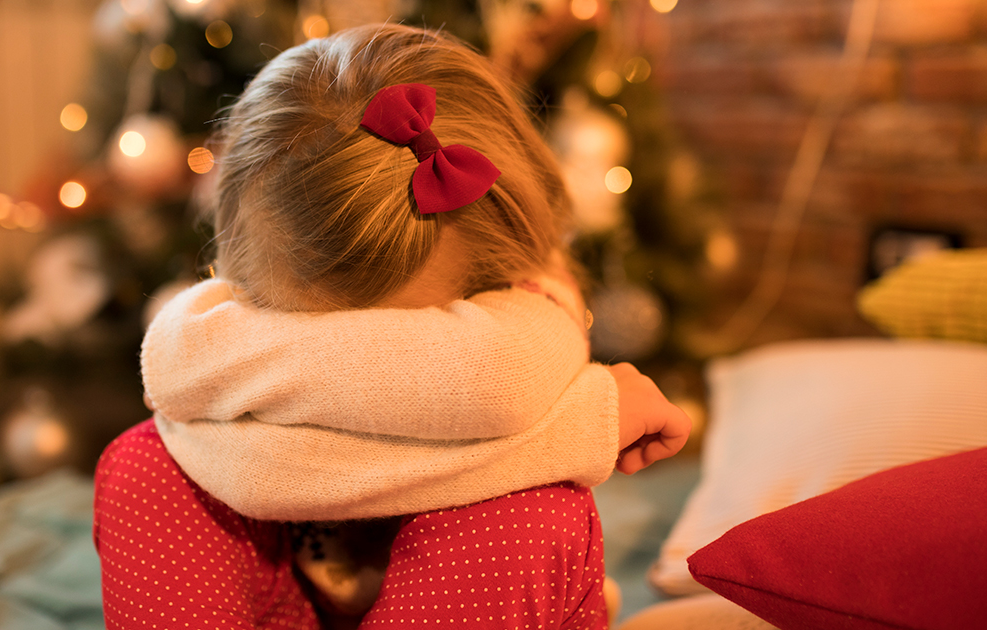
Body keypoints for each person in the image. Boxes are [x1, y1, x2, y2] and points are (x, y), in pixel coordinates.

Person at [93, 23, 690, 629]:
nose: (358, 377)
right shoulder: (214, 320)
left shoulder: (532, 305)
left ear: (503, 275)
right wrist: (579, 426)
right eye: (300, 331)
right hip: (287, 596)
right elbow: (184, 380)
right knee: (147, 470)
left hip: (479, 598)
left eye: (403, 341)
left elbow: (495, 382)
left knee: (529, 517)